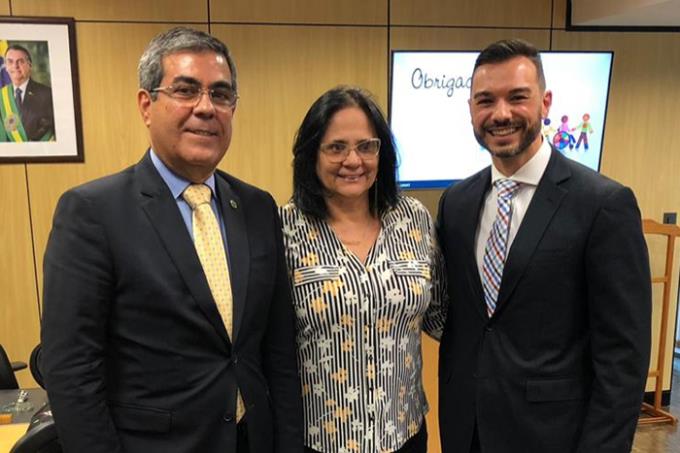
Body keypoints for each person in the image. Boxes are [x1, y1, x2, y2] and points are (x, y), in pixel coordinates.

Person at [41, 27, 303, 453]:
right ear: (147, 105)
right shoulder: (93, 213)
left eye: (221, 95)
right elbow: (72, 371)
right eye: (186, 90)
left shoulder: (257, 208)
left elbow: (277, 351)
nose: (206, 108)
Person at [436, 39, 651, 453]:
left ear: (545, 102)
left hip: (555, 437)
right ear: (470, 110)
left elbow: (623, 358)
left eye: (518, 97)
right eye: (486, 100)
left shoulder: (603, 205)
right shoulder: (457, 204)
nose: (501, 114)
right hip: (468, 430)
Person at [279, 86, 447, 453]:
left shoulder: (414, 219)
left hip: (404, 434)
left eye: (366, 146)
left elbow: (442, 317)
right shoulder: (284, 229)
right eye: (336, 147)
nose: (353, 160)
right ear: (312, 155)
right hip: (320, 440)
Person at [0, 44, 55, 141]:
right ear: (6, 67)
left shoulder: (47, 94)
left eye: (20, 61)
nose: (15, 66)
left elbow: (51, 131)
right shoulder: (2, 96)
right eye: (10, 62)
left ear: (30, 65)